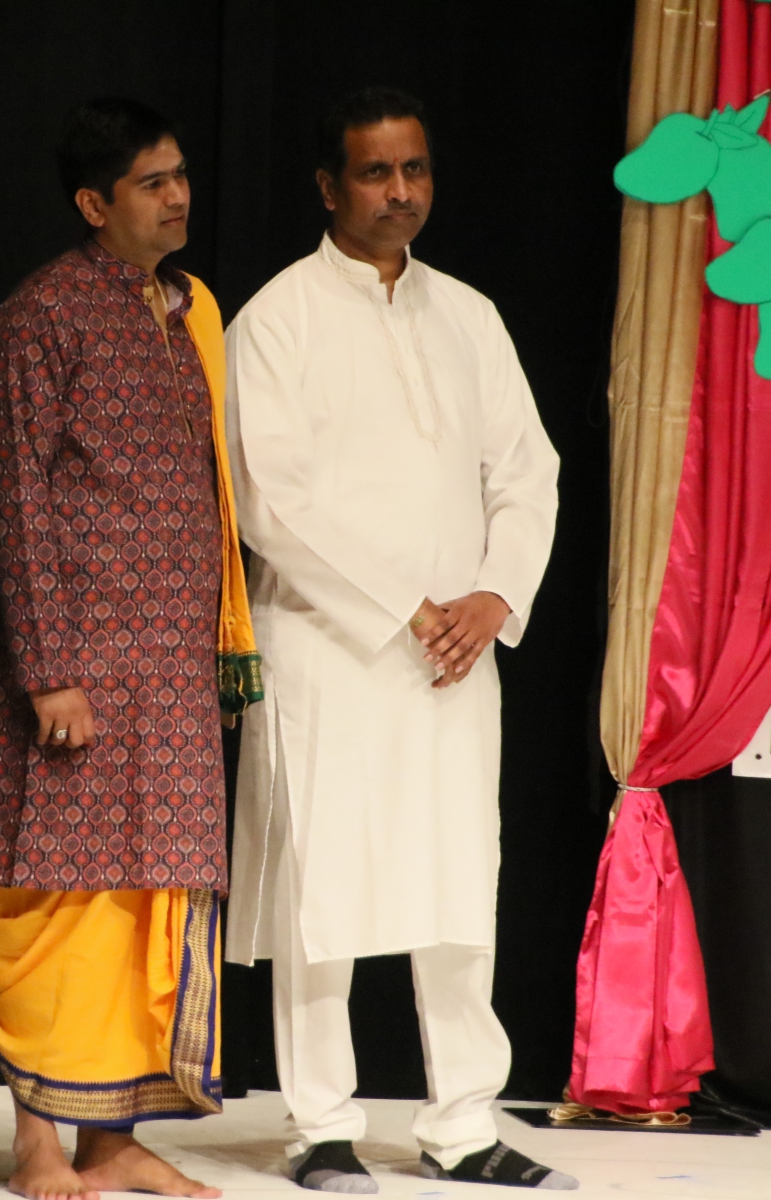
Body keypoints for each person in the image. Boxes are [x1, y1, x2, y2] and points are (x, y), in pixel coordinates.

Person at [224, 87, 575, 1192]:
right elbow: (267, 501)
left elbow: (529, 472)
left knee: (459, 885)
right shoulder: (276, 319)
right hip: (327, 650)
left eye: (414, 169)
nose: (400, 192)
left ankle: (463, 1124)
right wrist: (403, 606)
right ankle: (319, 1127)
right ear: (329, 187)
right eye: (376, 173)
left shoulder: (468, 315)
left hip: (456, 657)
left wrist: (494, 597)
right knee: (322, 891)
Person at [0, 98, 259, 1200]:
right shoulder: (39, 317)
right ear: (94, 202)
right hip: (75, 670)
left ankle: (112, 1139)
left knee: (143, 902)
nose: (178, 196)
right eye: (151, 182)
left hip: (169, 677)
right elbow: (18, 502)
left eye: (180, 175)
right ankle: (38, 1143)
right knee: (53, 900)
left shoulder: (187, 311)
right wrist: (51, 672)